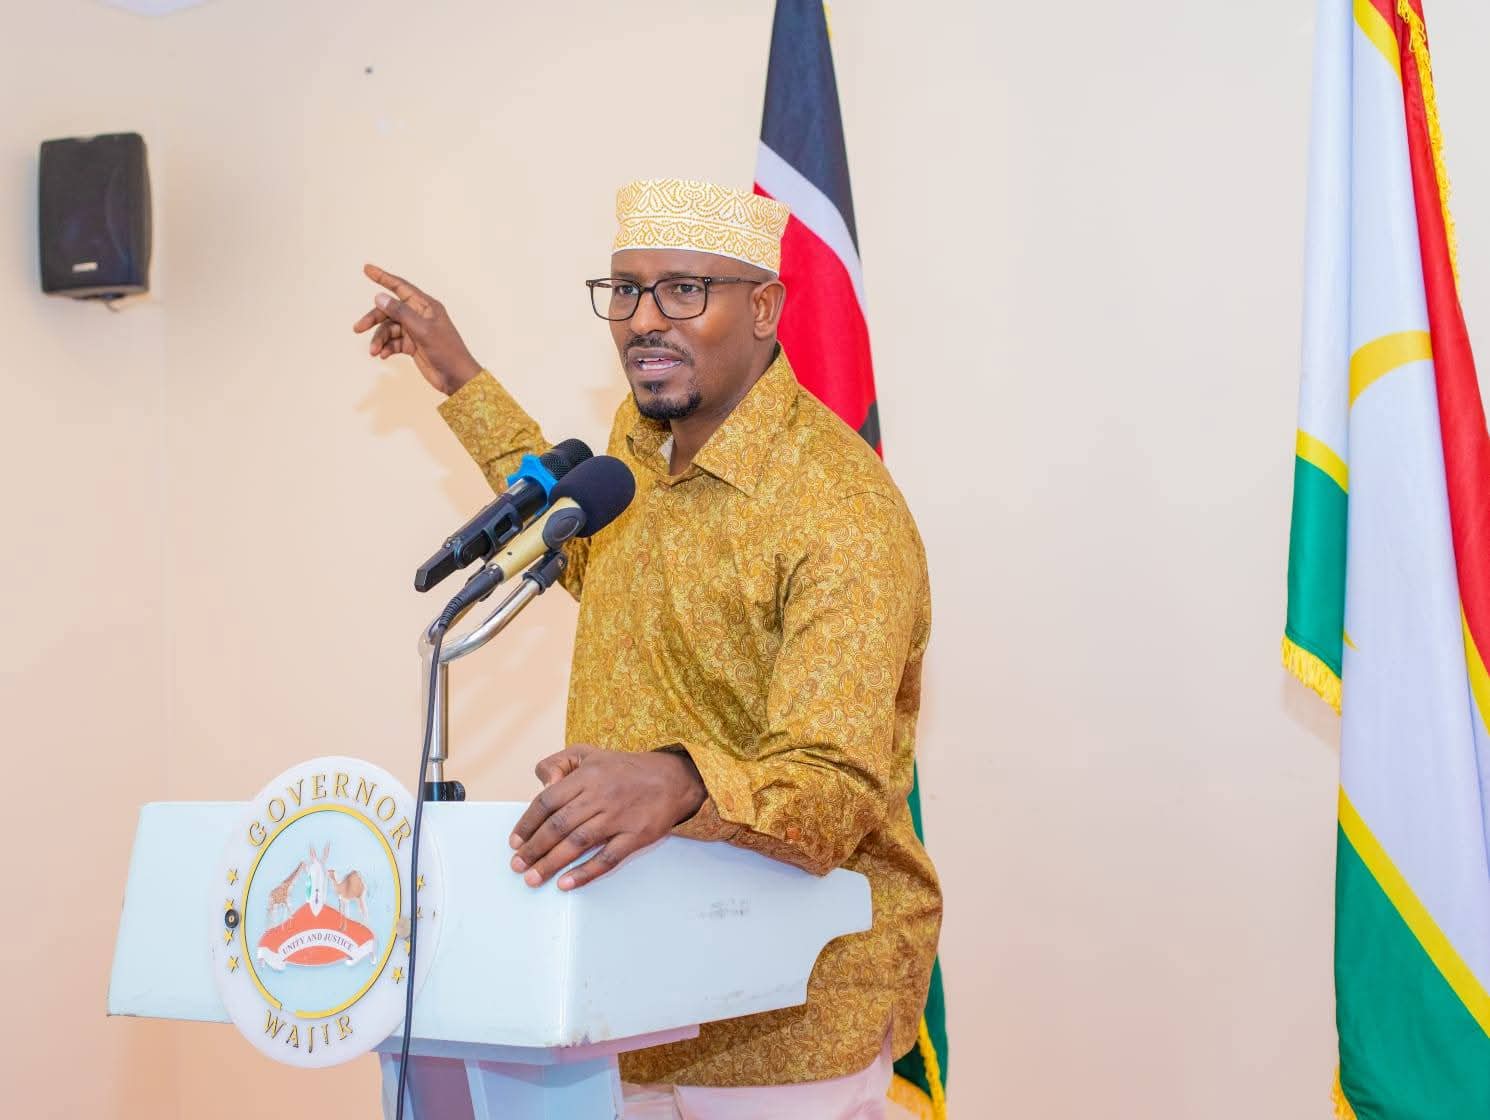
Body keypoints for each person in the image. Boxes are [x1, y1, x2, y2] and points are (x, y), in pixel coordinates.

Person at [354, 178, 941, 1119]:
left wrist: (679, 779)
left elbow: (836, 788)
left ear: (764, 308)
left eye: (683, 290)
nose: (643, 321)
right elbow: (580, 537)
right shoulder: (641, 449)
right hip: (629, 993)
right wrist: (461, 379)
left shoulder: (842, 510)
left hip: (787, 1024)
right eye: (625, 291)